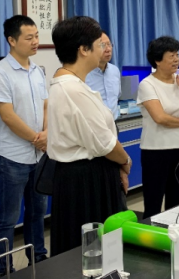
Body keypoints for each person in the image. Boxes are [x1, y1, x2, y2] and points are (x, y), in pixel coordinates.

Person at [47, 16, 129, 256]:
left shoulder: (70, 84)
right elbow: (105, 144)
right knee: (90, 253)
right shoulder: (73, 90)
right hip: (86, 181)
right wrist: (126, 161)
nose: (104, 49)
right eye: (99, 44)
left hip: (83, 175)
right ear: (83, 49)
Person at [0, 15, 49, 277]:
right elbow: (8, 116)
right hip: (12, 157)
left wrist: (46, 133)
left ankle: (39, 258)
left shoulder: (38, 71)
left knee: (37, 213)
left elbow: (45, 105)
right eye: (29, 37)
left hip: (38, 156)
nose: (35, 42)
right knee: (8, 218)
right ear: (12, 40)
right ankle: (4, 270)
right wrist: (37, 137)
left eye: (37, 36)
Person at [137, 36, 179, 218]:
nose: (176, 60)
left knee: (175, 201)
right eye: (171, 56)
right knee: (153, 203)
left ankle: (173, 233)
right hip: (155, 150)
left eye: (177, 55)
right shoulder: (147, 84)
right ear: (157, 60)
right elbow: (160, 117)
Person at [86, 32, 121, 119]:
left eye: (109, 44)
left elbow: (117, 96)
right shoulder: (84, 73)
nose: (108, 49)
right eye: (102, 45)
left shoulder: (115, 71)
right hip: (94, 124)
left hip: (113, 123)